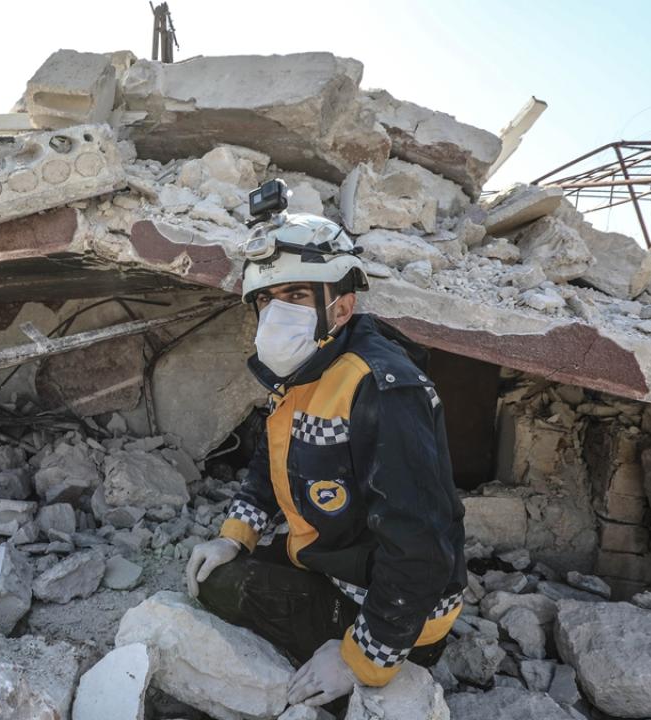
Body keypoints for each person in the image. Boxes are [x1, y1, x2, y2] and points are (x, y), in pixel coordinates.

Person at [184, 208, 467, 708]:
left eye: (296, 295)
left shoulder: (380, 388)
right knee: (216, 566)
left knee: (219, 588)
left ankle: (352, 679)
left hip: (403, 615)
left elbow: (421, 547)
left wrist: (358, 658)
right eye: (266, 299)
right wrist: (235, 536)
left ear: (341, 307)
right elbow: (270, 464)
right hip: (341, 563)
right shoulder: (306, 370)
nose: (277, 313)